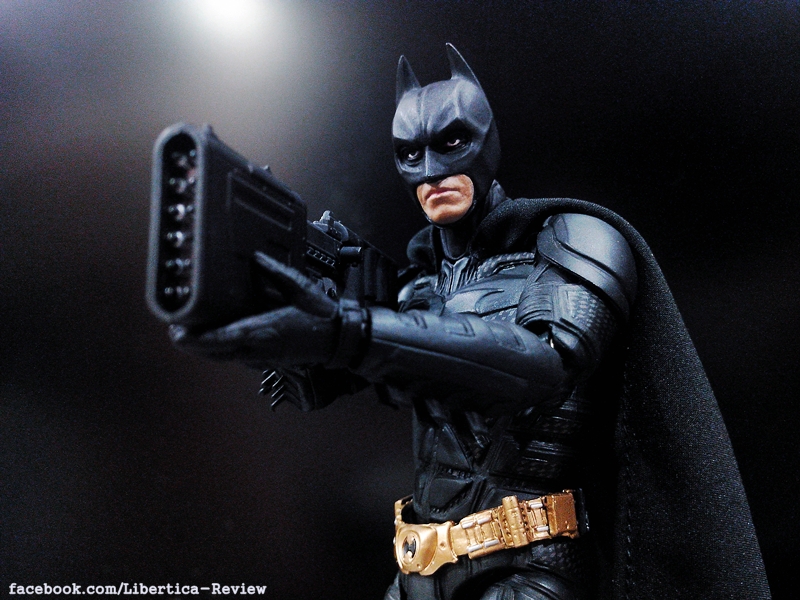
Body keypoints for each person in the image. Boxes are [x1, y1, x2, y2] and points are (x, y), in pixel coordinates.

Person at [171, 45, 770, 600]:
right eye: (411, 155)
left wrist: (350, 331)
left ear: (487, 141)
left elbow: (538, 367)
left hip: (531, 567)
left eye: (452, 143)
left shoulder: (574, 240)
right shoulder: (416, 285)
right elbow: (316, 387)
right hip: (418, 569)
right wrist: (259, 314)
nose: (431, 171)